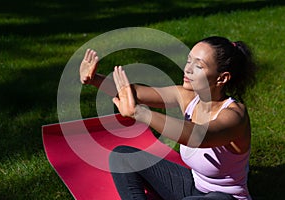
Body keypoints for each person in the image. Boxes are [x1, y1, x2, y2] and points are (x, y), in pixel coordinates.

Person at [79, 36, 257, 200]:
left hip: (226, 198)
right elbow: (135, 93)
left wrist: (140, 113)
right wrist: (94, 79)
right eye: (189, 61)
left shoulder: (235, 116)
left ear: (222, 78)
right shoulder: (187, 96)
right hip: (192, 187)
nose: (187, 69)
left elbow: (198, 136)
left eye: (199, 66)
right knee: (123, 157)